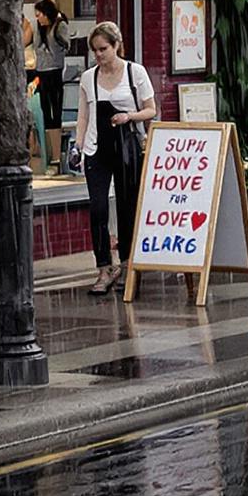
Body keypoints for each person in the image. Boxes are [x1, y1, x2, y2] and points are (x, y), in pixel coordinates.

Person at [74, 21, 154, 297]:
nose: (99, 55)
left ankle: (127, 263)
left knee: (126, 205)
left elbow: (151, 110)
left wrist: (128, 116)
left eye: (104, 49)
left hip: (127, 145)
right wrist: (78, 145)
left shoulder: (135, 72)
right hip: (97, 148)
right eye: (95, 50)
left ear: (117, 45)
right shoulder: (88, 77)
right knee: (97, 207)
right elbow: (83, 114)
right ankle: (103, 266)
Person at [31, 0, 70, 159]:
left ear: (47, 13)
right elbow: (36, 47)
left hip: (54, 70)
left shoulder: (59, 25)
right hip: (41, 70)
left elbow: (64, 45)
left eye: (39, 15)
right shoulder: (40, 29)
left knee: (56, 109)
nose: (38, 18)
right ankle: (48, 148)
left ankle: (56, 150)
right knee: (44, 108)